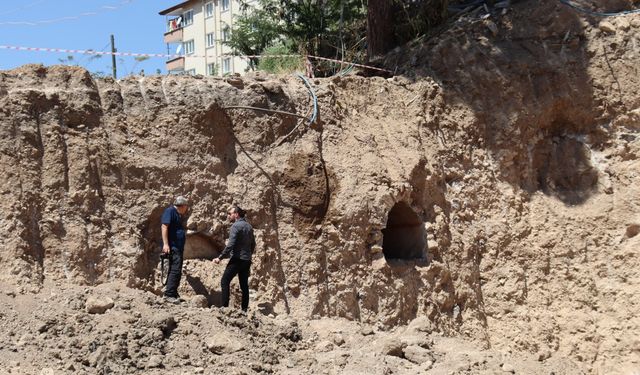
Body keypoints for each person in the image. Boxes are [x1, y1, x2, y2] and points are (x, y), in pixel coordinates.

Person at [213, 205, 256, 312]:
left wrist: (220, 257)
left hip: (237, 259)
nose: (228, 216)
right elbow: (253, 244)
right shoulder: (249, 226)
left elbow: (230, 244)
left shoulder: (235, 226)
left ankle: (224, 308)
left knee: (224, 281)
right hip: (246, 260)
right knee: (244, 285)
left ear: (236, 214)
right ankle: (244, 310)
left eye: (230, 213)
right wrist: (248, 255)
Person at [161, 196, 189, 304]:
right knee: (175, 270)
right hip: (173, 247)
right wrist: (166, 244)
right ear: (182, 206)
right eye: (186, 207)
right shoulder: (170, 211)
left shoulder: (177, 214)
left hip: (177, 247)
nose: (186, 209)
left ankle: (173, 292)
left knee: (176, 270)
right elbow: (164, 226)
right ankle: (169, 294)